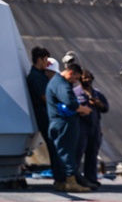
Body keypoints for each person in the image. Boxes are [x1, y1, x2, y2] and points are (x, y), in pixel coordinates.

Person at [45, 61, 93, 193]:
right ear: (70, 73)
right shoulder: (62, 84)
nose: (76, 82)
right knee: (67, 151)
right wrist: (83, 109)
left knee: (59, 152)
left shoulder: (55, 82)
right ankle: (70, 181)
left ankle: (60, 181)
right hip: (64, 123)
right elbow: (70, 102)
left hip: (56, 122)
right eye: (76, 78)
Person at [27, 46, 64, 184]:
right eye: (45, 59)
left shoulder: (40, 75)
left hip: (47, 114)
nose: (47, 62)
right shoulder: (36, 77)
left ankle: (61, 176)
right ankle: (60, 178)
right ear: (39, 59)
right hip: (44, 115)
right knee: (54, 146)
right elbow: (45, 97)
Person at [76, 69, 108, 189]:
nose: (87, 80)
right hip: (81, 127)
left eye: (89, 77)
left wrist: (99, 104)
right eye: (84, 77)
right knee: (78, 153)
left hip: (94, 126)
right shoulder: (75, 92)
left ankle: (91, 178)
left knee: (92, 153)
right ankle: (76, 178)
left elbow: (106, 108)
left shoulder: (97, 93)